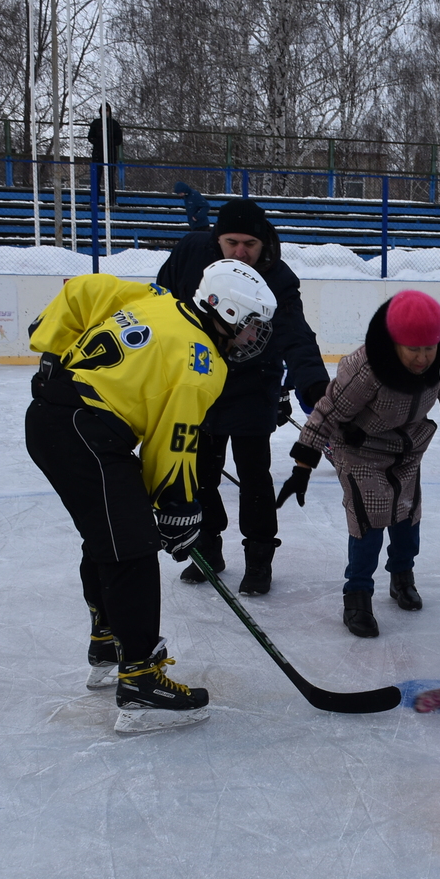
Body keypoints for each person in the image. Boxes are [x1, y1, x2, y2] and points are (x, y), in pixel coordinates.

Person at [24, 262, 278, 732]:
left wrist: (51, 346)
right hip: (83, 430)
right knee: (131, 547)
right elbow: (173, 443)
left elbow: (85, 289)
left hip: (56, 419)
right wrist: (179, 508)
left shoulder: (159, 298)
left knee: (110, 534)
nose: (252, 339)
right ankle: (140, 679)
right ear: (224, 312)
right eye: (250, 327)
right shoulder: (201, 361)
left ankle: (108, 637)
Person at [156, 197, 330, 596]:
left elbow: (297, 337)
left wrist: (316, 387)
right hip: (198, 381)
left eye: (249, 244)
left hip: (254, 384)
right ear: (216, 238)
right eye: (231, 242)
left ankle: (259, 558)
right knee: (201, 474)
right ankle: (208, 547)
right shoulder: (190, 254)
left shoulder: (279, 278)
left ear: (263, 242)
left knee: (254, 477)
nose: (240, 252)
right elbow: (159, 302)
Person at [277, 290, 440, 637]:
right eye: (413, 350)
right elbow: (327, 410)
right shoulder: (367, 369)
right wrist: (303, 463)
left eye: (428, 349)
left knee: (407, 518)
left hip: (408, 448)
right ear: (394, 343)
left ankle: (402, 576)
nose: (422, 359)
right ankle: (357, 595)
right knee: (369, 524)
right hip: (361, 451)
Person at [86, 105, 123, 198]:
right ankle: (95, 199)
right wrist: (99, 142)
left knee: (110, 178)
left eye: (107, 110)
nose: (105, 112)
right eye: (103, 110)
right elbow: (90, 137)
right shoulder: (96, 123)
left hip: (110, 154)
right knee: (96, 178)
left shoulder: (114, 124)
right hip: (98, 154)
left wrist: (109, 142)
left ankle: (111, 199)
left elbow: (119, 140)